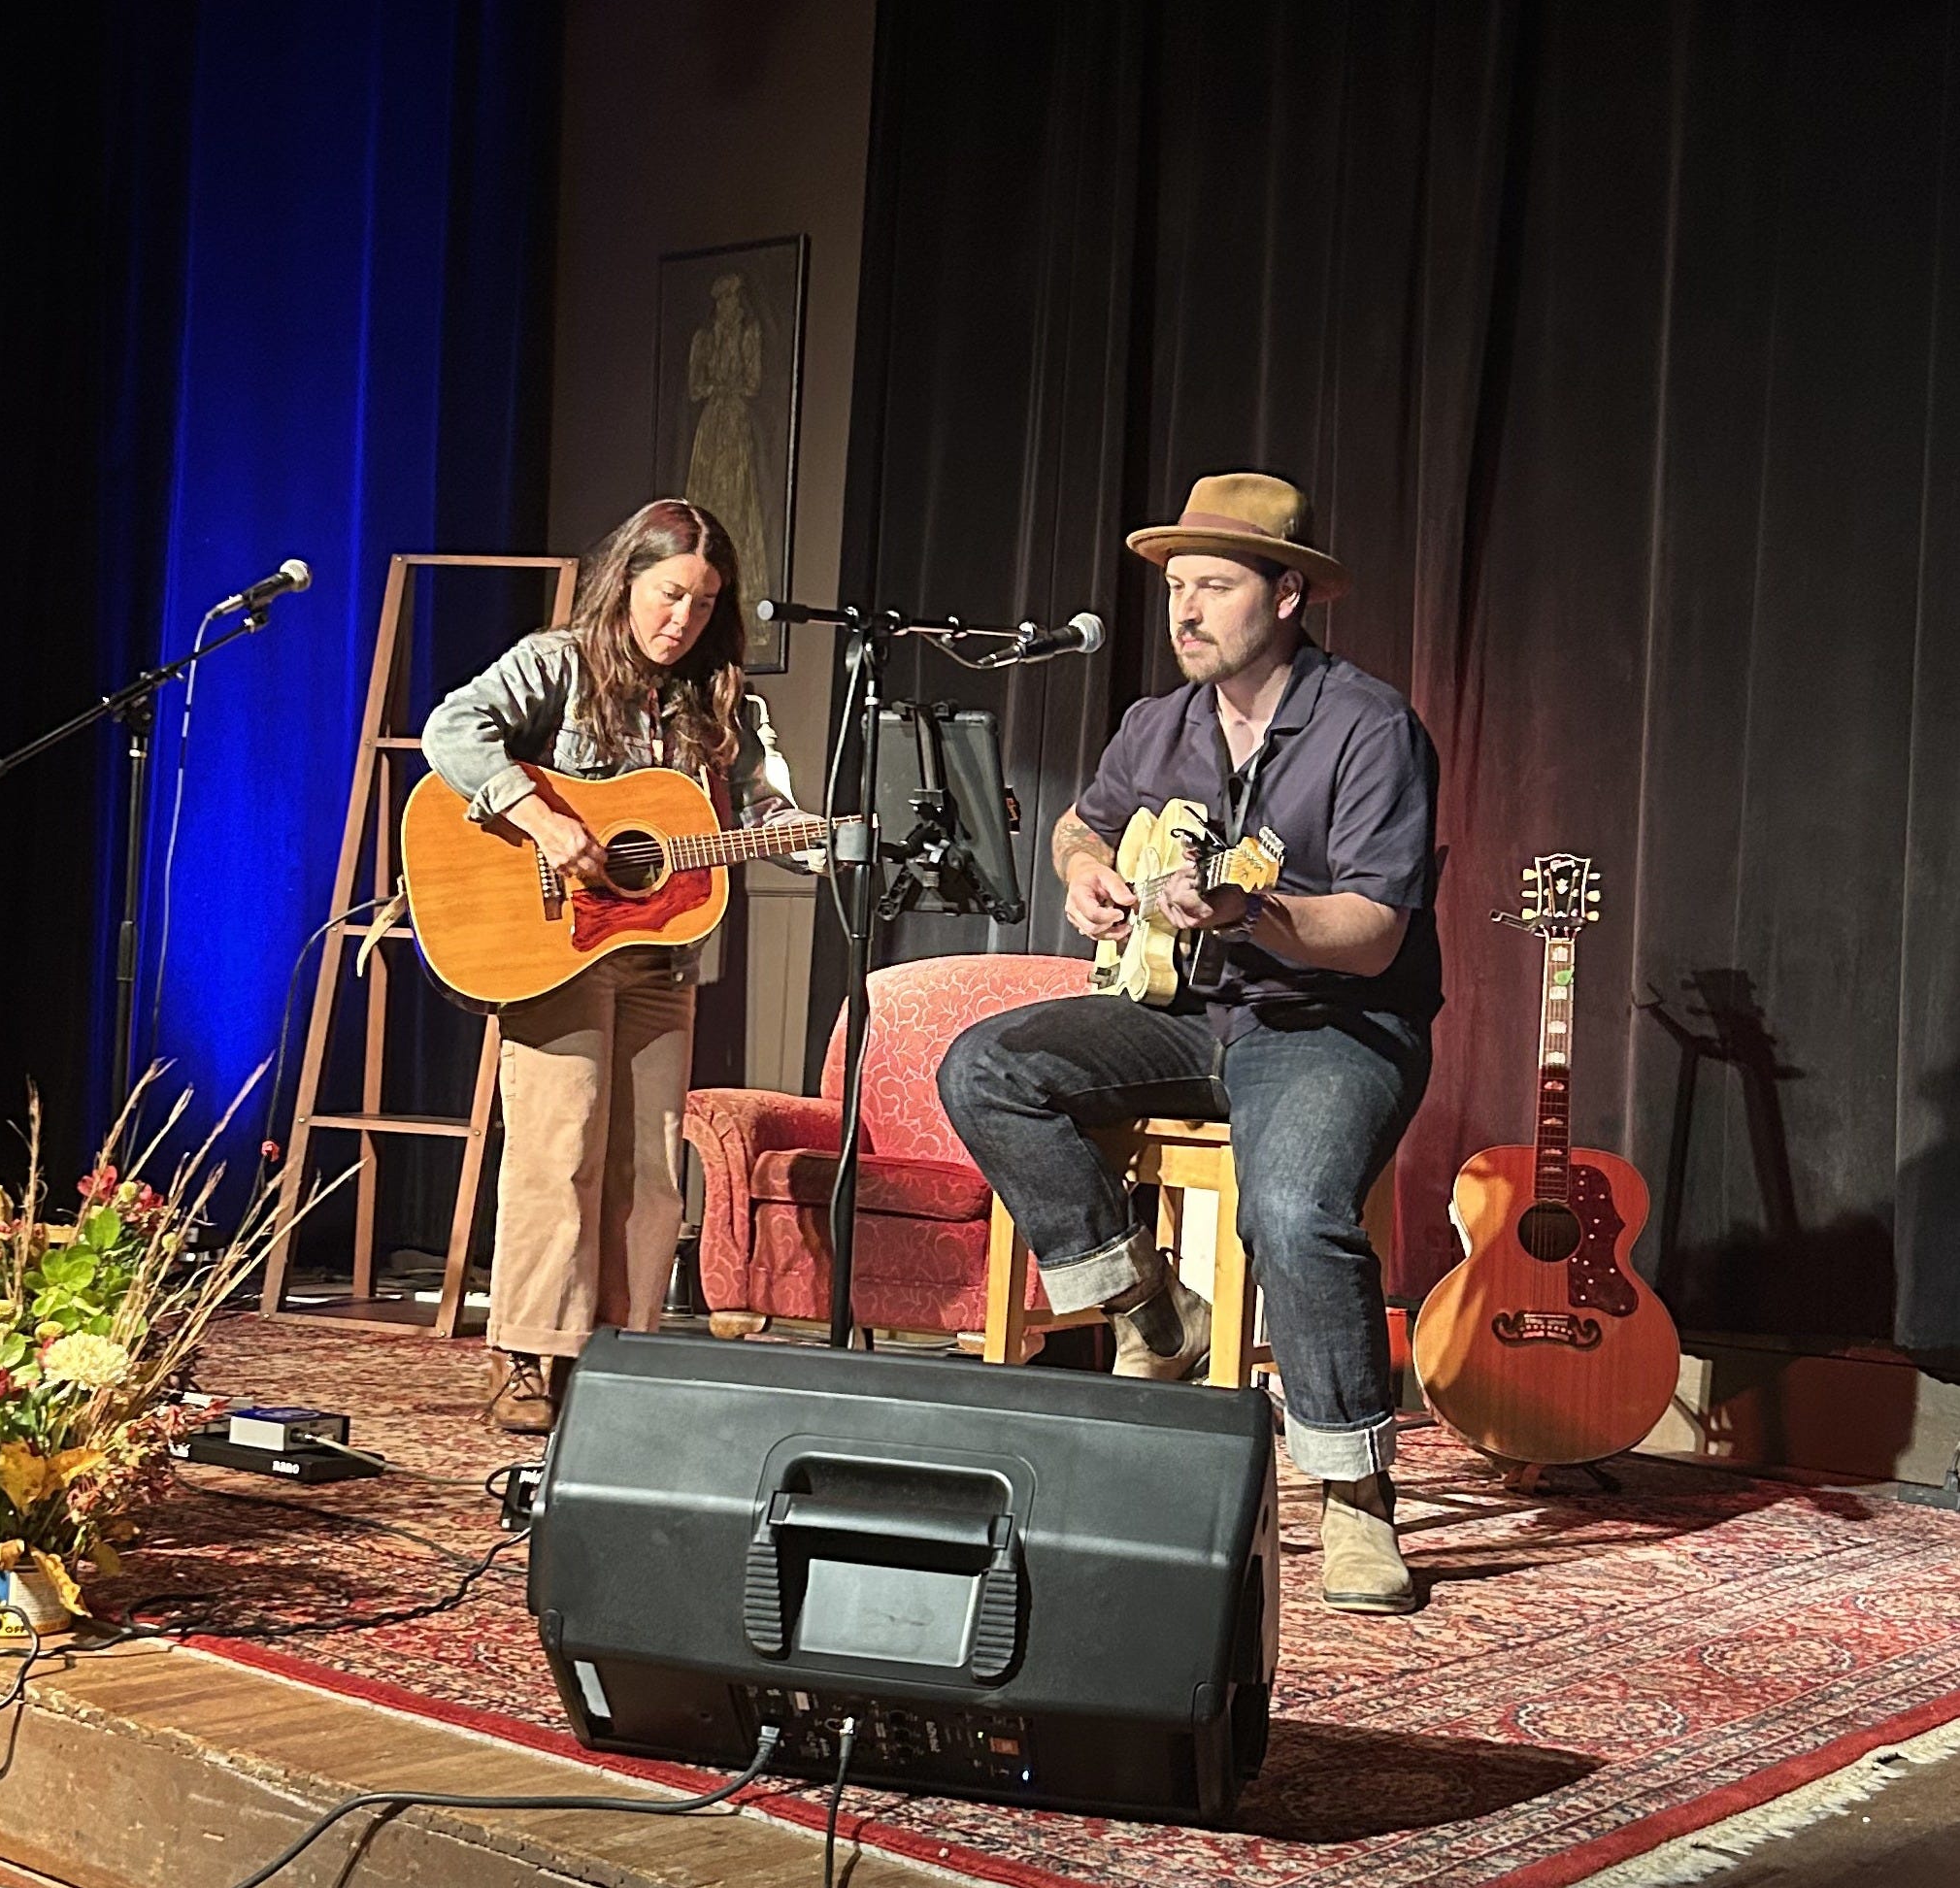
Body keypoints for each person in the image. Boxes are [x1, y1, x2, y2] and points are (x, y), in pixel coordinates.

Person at [936, 475, 1442, 1613]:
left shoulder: (1368, 728)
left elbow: (1372, 932)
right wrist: (1084, 874)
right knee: (985, 1066)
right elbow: (1080, 825)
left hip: (1328, 1021)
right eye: (1176, 588)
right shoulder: (1157, 724)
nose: (1187, 610)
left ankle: (1354, 1493)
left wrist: (1252, 911)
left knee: (1292, 1209)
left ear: (1288, 594)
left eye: (1214, 585)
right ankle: (1150, 1308)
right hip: (1179, 1009)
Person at [422, 499, 814, 1436]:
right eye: (669, 594)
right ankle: (530, 1355)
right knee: (559, 1148)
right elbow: (452, 727)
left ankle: (622, 1357)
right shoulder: (557, 663)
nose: (682, 619)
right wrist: (542, 819)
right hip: (556, 946)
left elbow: (764, 809)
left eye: (703, 602)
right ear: (626, 580)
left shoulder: (724, 703)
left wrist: (816, 836)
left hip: (661, 953)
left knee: (649, 1166)